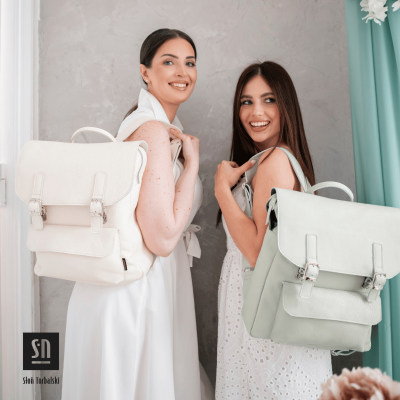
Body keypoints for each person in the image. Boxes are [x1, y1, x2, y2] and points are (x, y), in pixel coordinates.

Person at [62, 28, 214, 400]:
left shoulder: (157, 127)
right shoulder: (152, 130)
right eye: (169, 61)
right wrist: (193, 166)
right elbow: (162, 238)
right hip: (135, 292)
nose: (182, 72)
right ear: (145, 72)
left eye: (190, 62)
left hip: (145, 285)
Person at [214, 61, 332, 400]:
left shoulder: (275, 161)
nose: (256, 112)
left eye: (269, 100)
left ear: (286, 106)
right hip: (265, 303)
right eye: (246, 102)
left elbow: (256, 253)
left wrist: (222, 192)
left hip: (263, 307)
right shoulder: (277, 159)